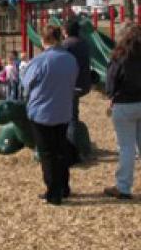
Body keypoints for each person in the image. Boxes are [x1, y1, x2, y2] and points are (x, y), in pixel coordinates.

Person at [22, 25, 78, 205]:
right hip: (63, 109)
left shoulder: (39, 61)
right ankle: (64, 186)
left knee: (47, 153)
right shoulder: (70, 59)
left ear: (43, 40)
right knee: (60, 149)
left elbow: (26, 83)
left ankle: (53, 192)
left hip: (42, 111)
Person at [104, 25, 141, 200]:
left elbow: (111, 82)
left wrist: (111, 96)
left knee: (126, 148)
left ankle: (124, 187)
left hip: (124, 104)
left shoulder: (119, 57)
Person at [61, 19, 92, 163]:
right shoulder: (84, 43)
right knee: (73, 116)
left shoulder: (66, 44)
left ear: (65, 31)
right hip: (83, 83)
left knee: (70, 119)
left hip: (71, 85)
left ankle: (73, 153)